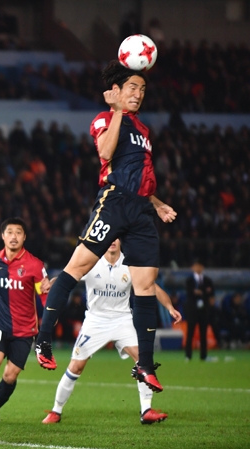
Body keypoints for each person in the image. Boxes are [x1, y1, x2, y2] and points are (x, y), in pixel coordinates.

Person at [33, 60, 177, 393]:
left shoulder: (143, 130)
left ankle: (144, 365)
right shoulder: (104, 118)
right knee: (76, 268)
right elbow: (105, 152)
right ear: (116, 91)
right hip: (114, 202)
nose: (138, 94)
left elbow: (140, 175)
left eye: (142, 89)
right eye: (132, 88)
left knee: (145, 284)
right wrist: (116, 112)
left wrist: (157, 204)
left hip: (141, 209)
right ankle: (43, 339)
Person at [42, 240, 182, 426]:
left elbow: (152, 287)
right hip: (95, 321)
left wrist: (170, 307)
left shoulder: (130, 263)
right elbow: (66, 278)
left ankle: (146, 410)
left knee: (143, 361)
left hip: (122, 320)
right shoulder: (91, 260)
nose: (113, 242)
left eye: (117, 237)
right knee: (76, 366)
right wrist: (52, 283)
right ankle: (56, 411)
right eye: (111, 237)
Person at [0, 217, 50, 423]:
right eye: (10, 232)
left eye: (18, 233)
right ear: (3, 236)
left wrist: (49, 314)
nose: (14, 236)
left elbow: (43, 294)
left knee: (10, 376)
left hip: (25, 329)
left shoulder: (34, 265)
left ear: (24, 237)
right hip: (1, 322)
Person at [184, 259, 214, 361]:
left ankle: (203, 356)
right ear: (192, 267)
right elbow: (190, 293)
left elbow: (211, 294)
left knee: (203, 333)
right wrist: (204, 292)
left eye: (199, 266)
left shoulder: (208, 280)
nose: (198, 268)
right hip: (192, 310)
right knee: (190, 333)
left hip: (204, 310)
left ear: (202, 267)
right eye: (196, 266)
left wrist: (199, 292)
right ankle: (188, 356)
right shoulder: (189, 281)